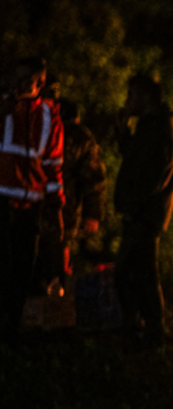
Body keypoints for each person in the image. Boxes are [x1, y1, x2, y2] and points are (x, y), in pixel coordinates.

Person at [114, 73, 173, 346]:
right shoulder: (151, 126)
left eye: (132, 96)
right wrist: (123, 132)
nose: (128, 101)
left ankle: (149, 330)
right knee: (135, 271)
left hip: (146, 213)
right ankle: (144, 329)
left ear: (146, 97)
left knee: (134, 272)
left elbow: (153, 175)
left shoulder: (160, 128)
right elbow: (135, 158)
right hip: (144, 211)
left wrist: (134, 206)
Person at [1, 57, 63, 336]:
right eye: (18, 77)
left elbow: (53, 165)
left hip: (32, 203)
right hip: (2, 198)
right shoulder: (3, 107)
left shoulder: (50, 116)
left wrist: (55, 205)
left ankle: (11, 323)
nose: (22, 83)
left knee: (25, 265)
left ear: (40, 83)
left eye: (29, 79)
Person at [44, 78, 106, 265]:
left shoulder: (76, 135)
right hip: (29, 207)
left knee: (58, 258)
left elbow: (93, 176)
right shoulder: (30, 121)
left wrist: (92, 213)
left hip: (63, 211)